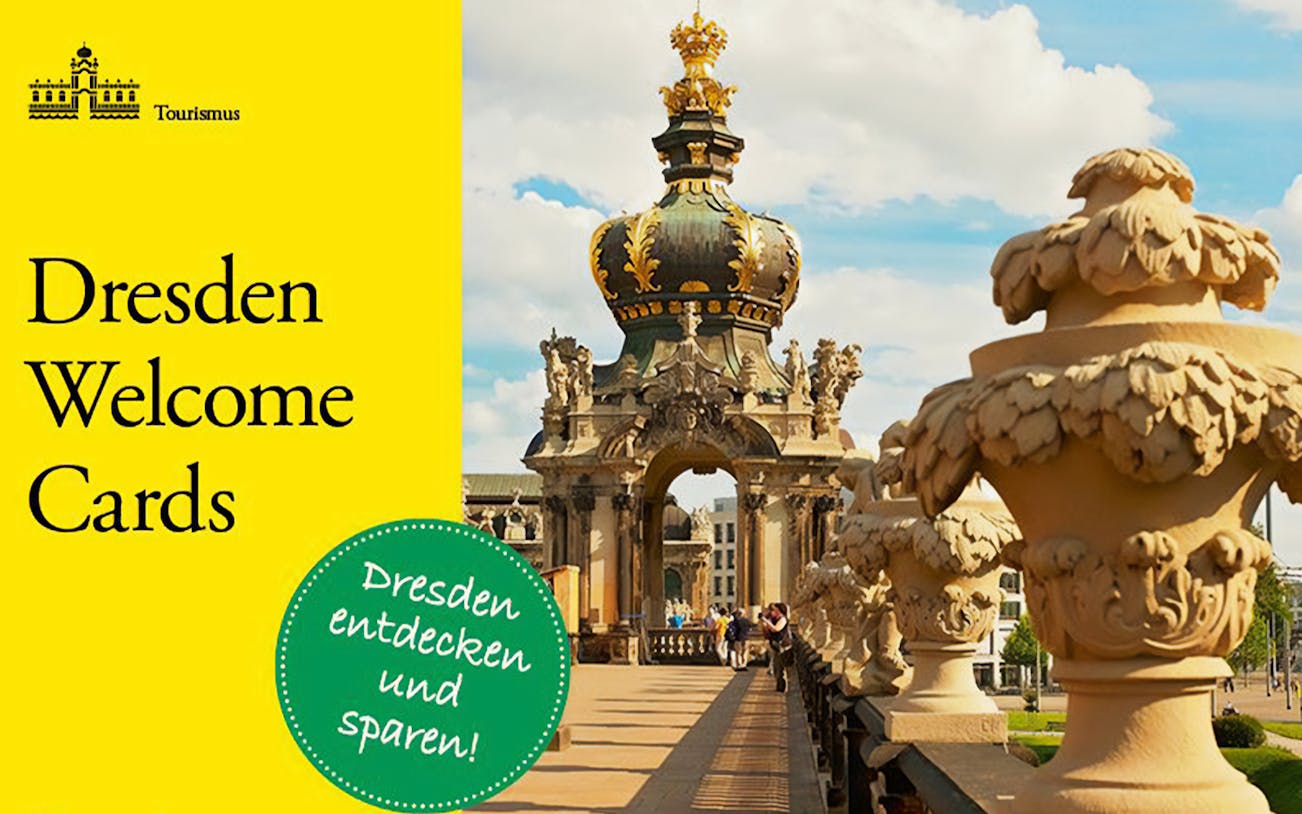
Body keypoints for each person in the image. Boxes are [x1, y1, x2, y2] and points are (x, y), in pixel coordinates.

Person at [762, 602, 794, 692]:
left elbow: (776, 629)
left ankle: (784, 686)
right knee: (777, 666)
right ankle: (780, 685)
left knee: (782, 666)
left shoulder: (783, 619)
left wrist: (766, 621)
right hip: (776, 645)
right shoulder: (774, 619)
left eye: (774, 610)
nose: (772, 612)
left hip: (783, 646)